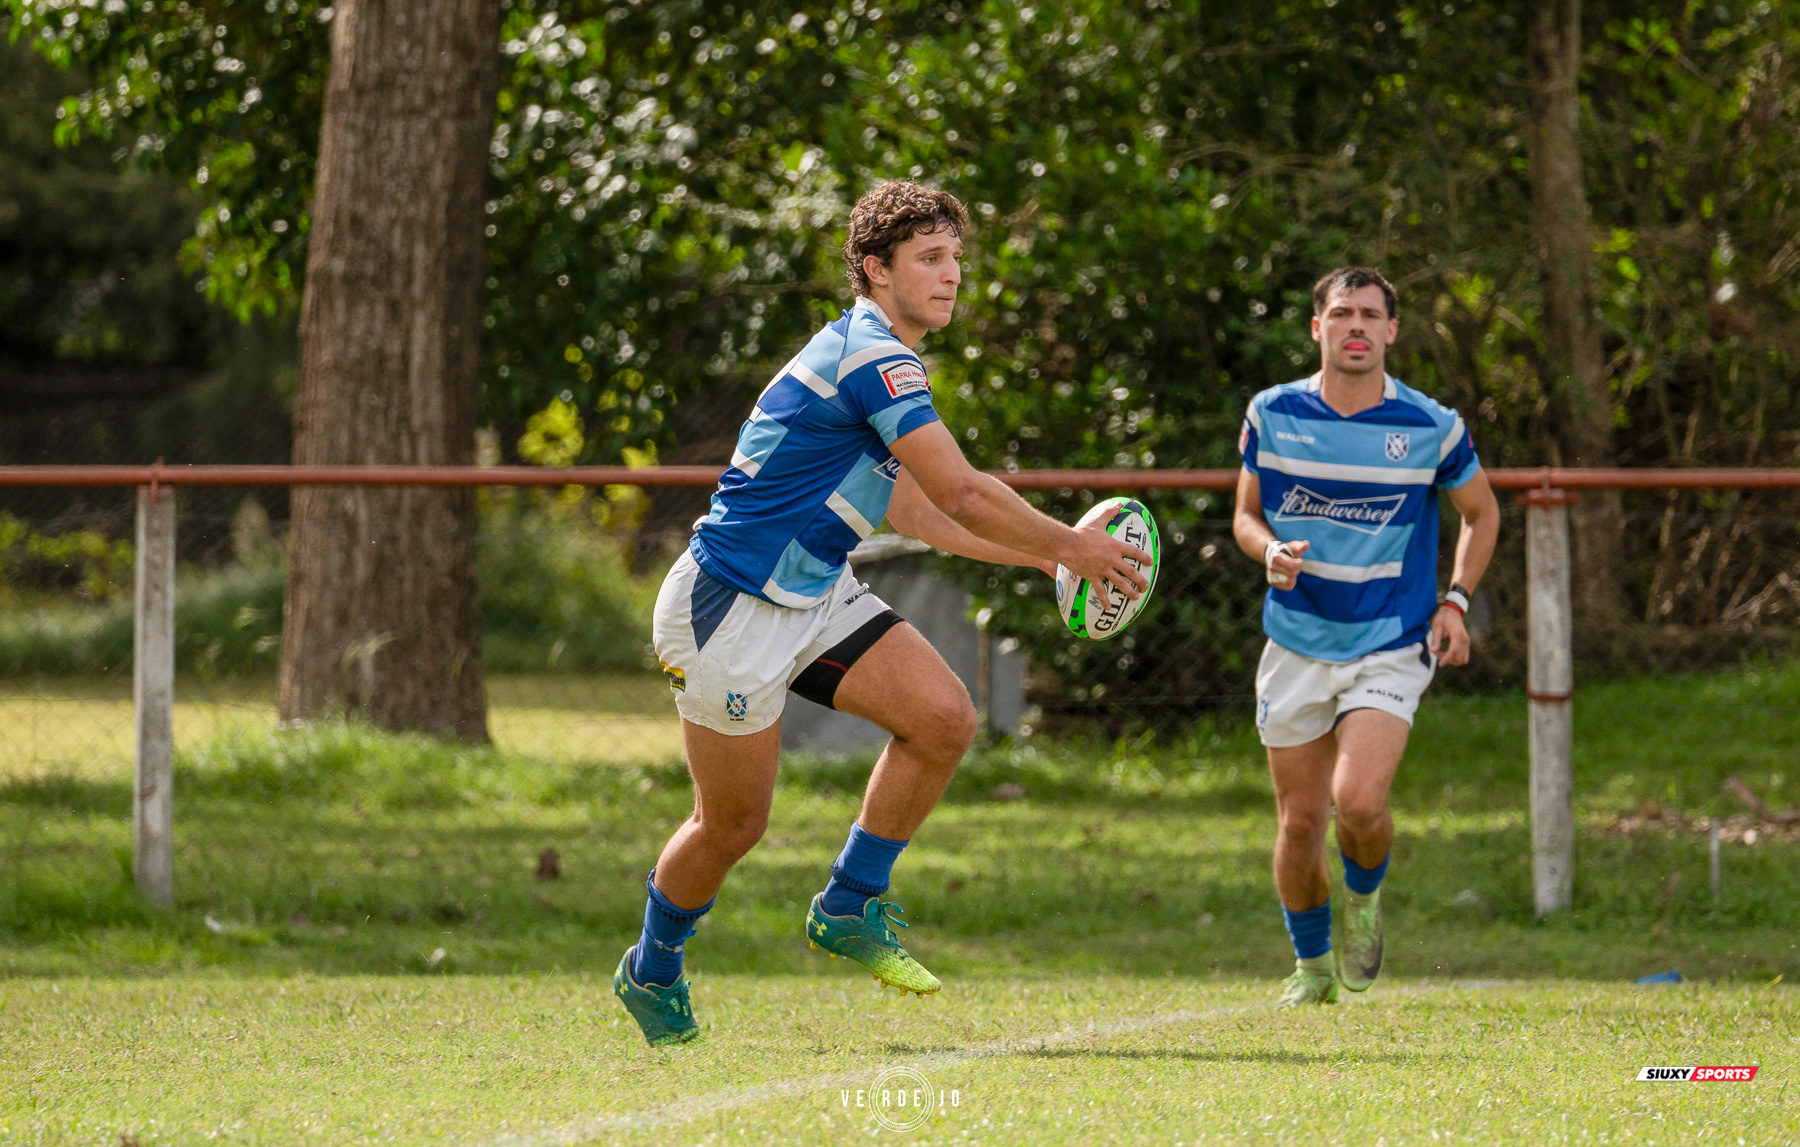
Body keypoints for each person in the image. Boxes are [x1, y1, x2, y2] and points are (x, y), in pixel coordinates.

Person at [613, 181, 1151, 1045]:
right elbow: (963, 491)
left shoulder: (885, 359)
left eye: (956, 260)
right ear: (876, 269)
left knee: (943, 719)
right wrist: (1072, 548)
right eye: (930, 260)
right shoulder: (873, 356)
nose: (951, 277)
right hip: (728, 608)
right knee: (735, 823)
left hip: (813, 589)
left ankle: (848, 903)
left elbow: (919, 513)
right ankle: (651, 966)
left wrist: (1047, 556)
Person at [1231, 266, 1500, 1007]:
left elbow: (1483, 512)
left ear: (1391, 331)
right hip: (1294, 640)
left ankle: (1366, 900)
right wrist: (1268, 552)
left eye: (1370, 314)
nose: (1355, 325)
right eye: (1341, 313)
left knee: (1358, 804)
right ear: (1317, 328)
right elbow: (1246, 516)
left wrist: (1455, 602)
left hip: (1390, 638)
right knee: (1299, 824)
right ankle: (1313, 970)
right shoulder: (1271, 412)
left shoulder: (1430, 425)